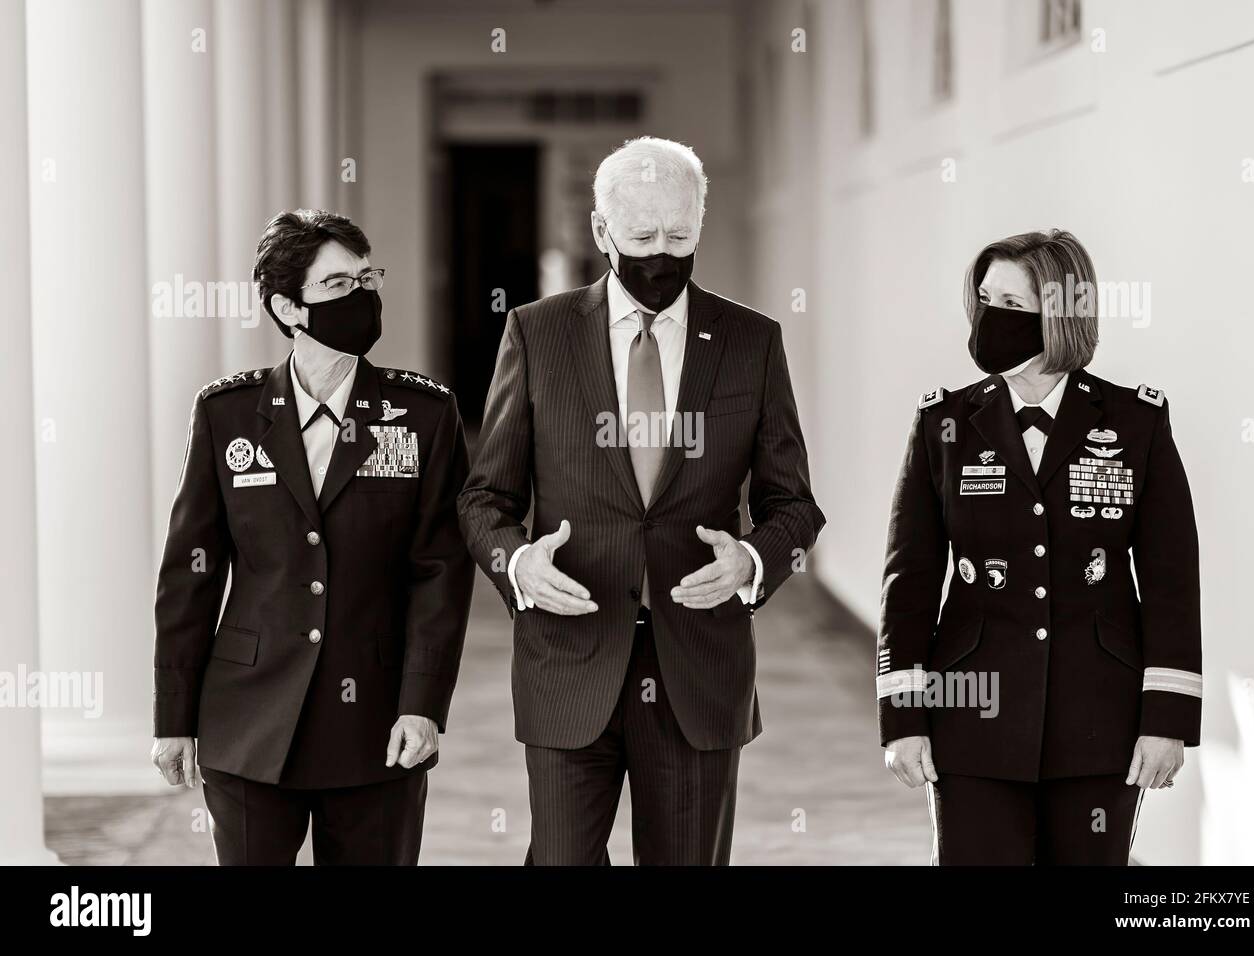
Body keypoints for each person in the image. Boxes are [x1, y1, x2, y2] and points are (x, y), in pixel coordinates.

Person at [458, 136, 825, 865]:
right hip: (568, 657)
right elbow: (485, 498)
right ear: (601, 232)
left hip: (698, 663)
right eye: (642, 236)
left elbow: (794, 504)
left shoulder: (752, 342)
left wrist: (753, 559)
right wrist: (517, 564)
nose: (663, 253)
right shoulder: (537, 334)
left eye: (680, 234)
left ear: (701, 224)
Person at [150, 210, 474, 865]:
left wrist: (423, 706)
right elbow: (191, 573)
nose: (362, 295)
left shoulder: (424, 414)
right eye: (337, 284)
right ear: (288, 308)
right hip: (247, 722)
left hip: (377, 727)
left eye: (366, 277)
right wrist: (173, 717)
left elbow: (440, 572)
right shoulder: (226, 414)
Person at [877, 229, 1201, 865]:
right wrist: (904, 716)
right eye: (985, 298)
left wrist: (1166, 718)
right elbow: (910, 580)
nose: (991, 318)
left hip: (1100, 719)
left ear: (1061, 315)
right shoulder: (942, 424)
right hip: (970, 713)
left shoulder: (1135, 423)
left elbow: (1170, 580)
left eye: (1014, 307)